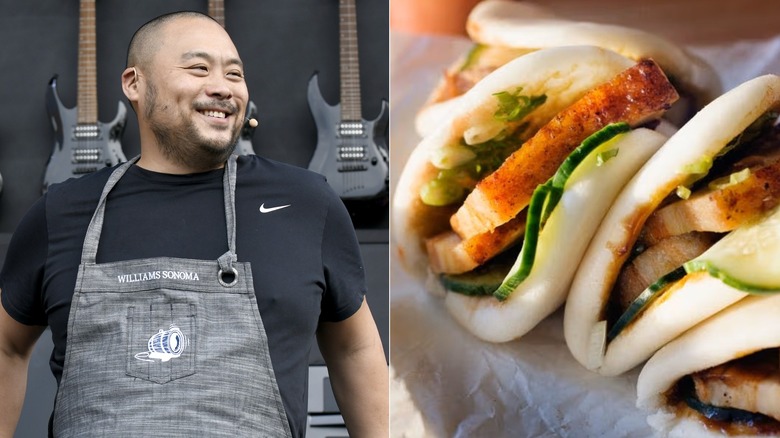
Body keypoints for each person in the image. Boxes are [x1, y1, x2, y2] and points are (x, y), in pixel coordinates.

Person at [0, 11, 388, 437]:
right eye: (199, 68)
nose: (222, 87)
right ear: (135, 83)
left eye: (235, 74)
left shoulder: (306, 202)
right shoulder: (62, 211)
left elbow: (355, 347)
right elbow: (7, 346)